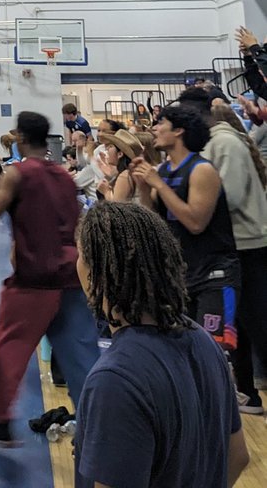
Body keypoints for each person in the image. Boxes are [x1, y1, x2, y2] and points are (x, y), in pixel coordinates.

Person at [0, 110, 100, 447]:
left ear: (19, 137)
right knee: (83, 359)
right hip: (70, 275)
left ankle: (1, 424)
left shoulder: (19, 174)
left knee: (10, 349)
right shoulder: (62, 175)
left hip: (35, 278)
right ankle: (98, 425)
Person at [74, 201, 249, 488]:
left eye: (80, 256)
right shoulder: (204, 341)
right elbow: (238, 455)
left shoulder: (115, 380)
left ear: (96, 274)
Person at [179, 90, 267, 415]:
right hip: (233, 245)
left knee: (258, 323)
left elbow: (224, 198)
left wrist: (183, 202)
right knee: (239, 326)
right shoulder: (214, 145)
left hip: (248, 244)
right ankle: (248, 393)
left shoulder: (225, 144)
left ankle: (249, 389)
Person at [132, 105, 240, 357]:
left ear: (179, 131)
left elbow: (195, 222)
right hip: (181, 275)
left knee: (214, 353)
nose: (154, 129)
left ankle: (231, 396)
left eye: (161, 124)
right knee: (183, 352)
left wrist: (157, 183)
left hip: (214, 273)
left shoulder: (202, 169)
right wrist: (145, 188)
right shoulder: (162, 171)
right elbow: (154, 223)